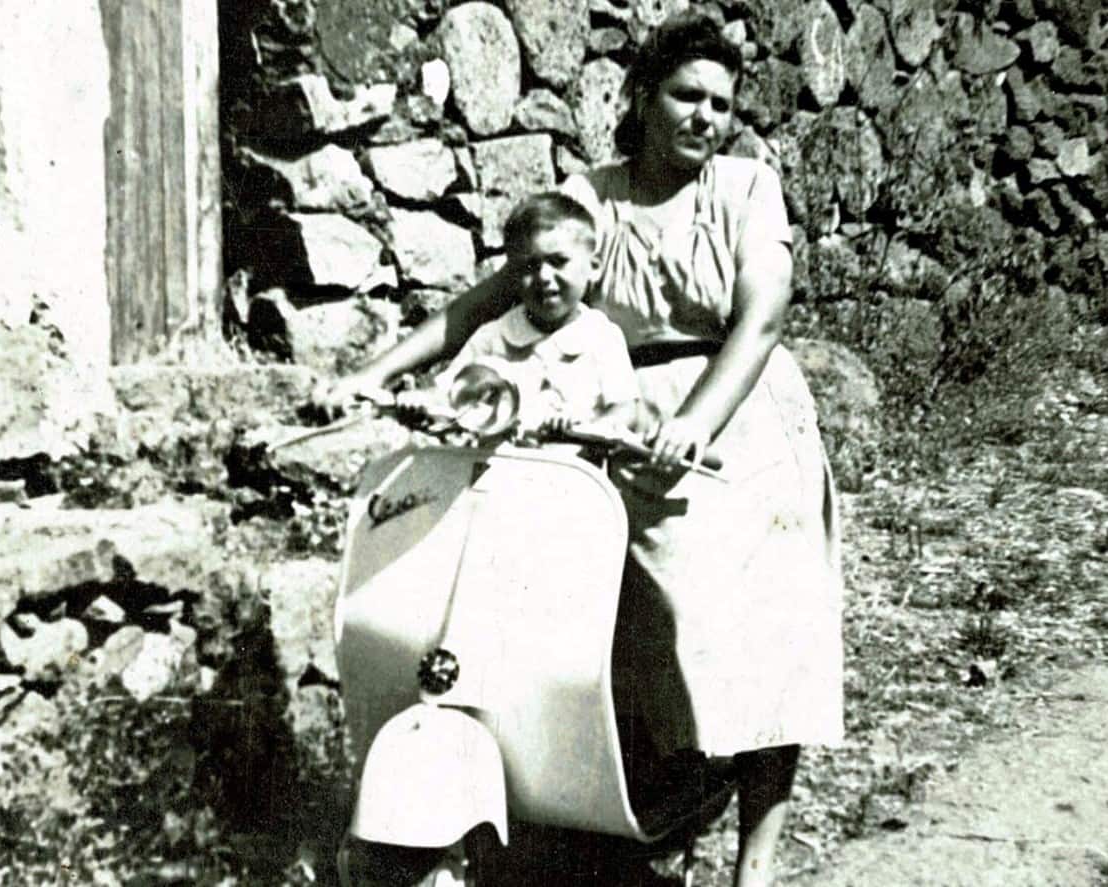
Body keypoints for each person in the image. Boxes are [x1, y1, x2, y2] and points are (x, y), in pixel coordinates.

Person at [320, 15, 843, 886]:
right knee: (567, 606)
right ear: (641, 97)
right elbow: (482, 302)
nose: (705, 115)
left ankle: (757, 855)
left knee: (749, 630)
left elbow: (759, 319)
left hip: (730, 417)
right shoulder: (590, 195)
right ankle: (592, 804)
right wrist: (366, 374)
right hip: (605, 408)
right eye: (686, 94)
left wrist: (695, 424)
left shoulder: (746, 188)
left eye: (721, 102)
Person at [413, 191, 639, 430]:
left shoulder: (601, 336)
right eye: (529, 266)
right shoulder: (494, 336)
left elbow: (625, 408)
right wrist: (422, 400)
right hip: (502, 461)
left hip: (571, 460)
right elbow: (450, 391)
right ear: (512, 275)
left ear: (593, 267)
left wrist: (591, 426)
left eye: (558, 261)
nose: (543, 277)